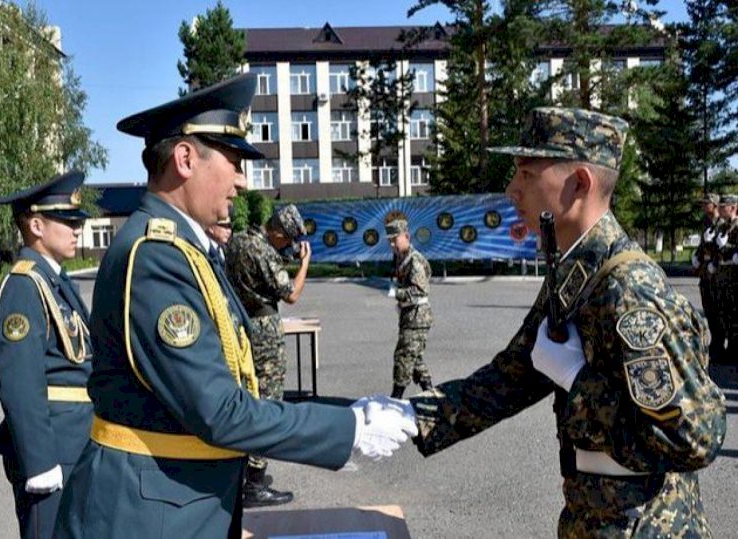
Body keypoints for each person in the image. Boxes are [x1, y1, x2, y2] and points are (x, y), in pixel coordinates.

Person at [52, 73, 417, 539]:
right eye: (233, 160)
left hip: (180, 502)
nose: (242, 181)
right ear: (185, 158)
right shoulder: (155, 257)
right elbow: (219, 410)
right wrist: (347, 431)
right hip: (151, 515)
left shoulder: (184, 248)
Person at [370, 107, 726, 536]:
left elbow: (695, 437)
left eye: (527, 173)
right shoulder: (577, 270)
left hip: (648, 527)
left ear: (579, 183)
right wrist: (406, 417)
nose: (511, 189)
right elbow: (510, 377)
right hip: (593, 519)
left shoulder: (629, 288)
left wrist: (577, 379)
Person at [0, 171, 94, 539]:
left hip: (75, 441)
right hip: (52, 450)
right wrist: (40, 463)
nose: (76, 228)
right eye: (66, 220)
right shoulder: (23, 286)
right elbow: (20, 382)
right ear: (36, 224)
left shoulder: (56, 281)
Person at [224, 203, 310, 507]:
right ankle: (255, 483)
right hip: (264, 328)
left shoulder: (237, 241)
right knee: (269, 400)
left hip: (239, 324)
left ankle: (240, 475)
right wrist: (303, 265)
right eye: (286, 239)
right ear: (276, 231)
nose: (288, 245)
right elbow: (292, 294)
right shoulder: (264, 252)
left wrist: (282, 255)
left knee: (246, 396)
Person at [384, 211, 434, 399]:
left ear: (407, 236)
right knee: (415, 359)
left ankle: (395, 400)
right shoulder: (400, 258)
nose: (391, 244)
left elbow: (420, 291)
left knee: (404, 357)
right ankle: (432, 396)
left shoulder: (414, 260)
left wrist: (396, 293)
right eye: (389, 240)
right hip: (409, 316)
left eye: (394, 239)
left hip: (417, 317)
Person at [692, 193, 724, 362]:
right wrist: (696, 256)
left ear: (714, 205)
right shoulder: (706, 222)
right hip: (705, 272)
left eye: (706, 204)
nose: (704, 207)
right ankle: (715, 342)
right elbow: (703, 244)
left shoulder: (722, 224)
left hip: (716, 272)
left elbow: (721, 248)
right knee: (708, 308)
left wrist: (715, 262)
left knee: (719, 309)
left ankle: (720, 344)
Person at [712, 194, 738, 361]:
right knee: (724, 314)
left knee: (735, 315)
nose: (720, 210)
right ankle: (727, 349)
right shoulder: (722, 227)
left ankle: (735, 350)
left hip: (734, 277)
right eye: (720, 207)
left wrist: (726, 247)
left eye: (724, 207)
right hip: (722, 276)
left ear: (734, 208)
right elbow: (715, 249)